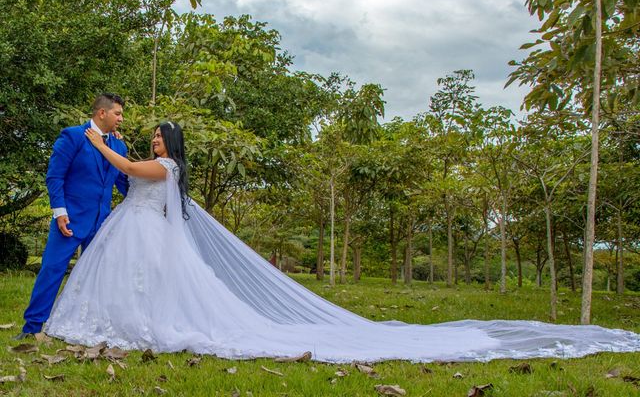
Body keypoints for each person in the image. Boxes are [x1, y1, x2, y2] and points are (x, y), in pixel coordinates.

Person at [44, 122, 640, 362]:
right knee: (145, 287)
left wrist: (96, 140)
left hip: (146, 231)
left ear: (167, 146)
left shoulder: (166, 171)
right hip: (139, 233)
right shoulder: (167, 171)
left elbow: (128, 170)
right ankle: (125, 325)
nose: (149, 143)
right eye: (146, 137)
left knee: (166, 293)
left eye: (154, 137)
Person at [16, 94, 128, 339]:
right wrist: (60, 213)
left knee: (97, 276)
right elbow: (55, 177)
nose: (121, 118)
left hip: (102, 223)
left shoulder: (119, 146)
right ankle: (32, 327)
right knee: (52, 269)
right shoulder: (73, 135)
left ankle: (87, 326)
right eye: (117, 113)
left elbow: (123, 183)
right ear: (102, 113)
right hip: (69, 220)